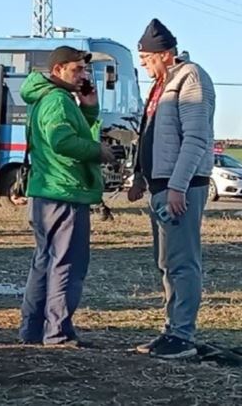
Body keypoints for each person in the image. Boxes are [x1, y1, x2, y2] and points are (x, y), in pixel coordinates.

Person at [17, 46, 117, 348]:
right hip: (65, 191)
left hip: (46, 191)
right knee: (67, 263)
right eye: (77, 69)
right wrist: (98, 151)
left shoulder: (47, 98)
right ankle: (57, 332)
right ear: (58, 69)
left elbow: (67, 133)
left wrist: (88, 109)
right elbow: (62, 141)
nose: (83, 75)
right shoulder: (58, 101)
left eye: (84, 70)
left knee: (45, 262)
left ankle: (33, 330)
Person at [128, 19, 215, 359]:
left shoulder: (190, 78)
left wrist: (178, 186)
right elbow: (148, 131)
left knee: (182, 261)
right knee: (166, 261)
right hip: (161, 186)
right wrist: (139, 175)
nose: (145, 66)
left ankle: (182, 334)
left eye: (147, 59)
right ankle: (171, 329)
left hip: (182, 187)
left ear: (165, 54)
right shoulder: (161, 85)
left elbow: (195, 138)